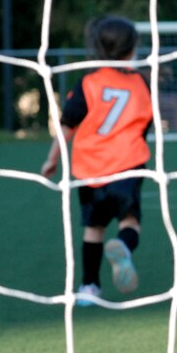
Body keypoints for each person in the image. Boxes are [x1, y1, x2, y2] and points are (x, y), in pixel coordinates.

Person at [41, 15, 152, 305]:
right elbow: (146, 125)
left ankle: (90, 286)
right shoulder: (141, 82)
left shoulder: (88, 83)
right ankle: (124, 249)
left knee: (94, 228)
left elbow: (67, 124)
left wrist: (52, 159)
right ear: (131, 50)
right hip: (128, 166)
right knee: (130, 221)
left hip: (90, 170)